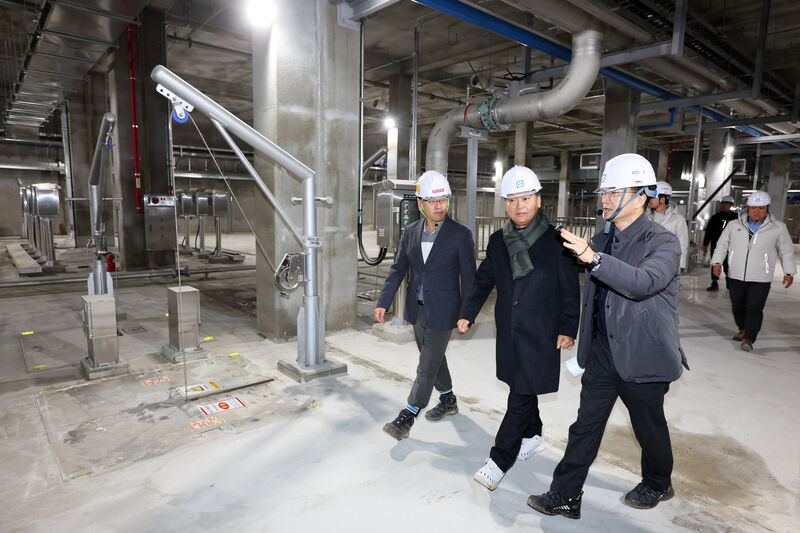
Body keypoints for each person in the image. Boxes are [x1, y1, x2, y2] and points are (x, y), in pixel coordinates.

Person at [527, 153, 689, 520]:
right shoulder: (601, 238)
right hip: (602, 350)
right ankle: (565, 494)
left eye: (614, 192)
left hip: (644, 354)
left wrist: (594, 258)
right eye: (605, 192)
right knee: (585, 425)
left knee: (648, 426)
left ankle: (658, 481)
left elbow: (643, 283)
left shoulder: (663, 242)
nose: (606, 199)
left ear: (641, 196)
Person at [457, 166, 580, 491]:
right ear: (505, 205)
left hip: (541, 332)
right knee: (522, 386)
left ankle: (499, 460)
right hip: (510, 330)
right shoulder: (499, 241)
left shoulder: (558, 241)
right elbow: (484, 279)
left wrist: (569, 327)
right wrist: (468, 312)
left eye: (525, 198)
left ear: (538, 200)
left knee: (520, 395)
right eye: (512, 200)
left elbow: (570, 289)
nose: (519, 205)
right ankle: (534, 434)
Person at [375, 170, 476, 440]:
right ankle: (448, 399)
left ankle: (409, 414)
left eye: (443, 200)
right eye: (433, 201)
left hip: (445, 310)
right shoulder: (410, 232)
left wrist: (467, 313)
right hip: (417, 309)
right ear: (420, 203)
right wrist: (384, 301)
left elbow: (470, 279)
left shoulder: (461, 235)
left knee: (426, 365)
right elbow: (398, 269)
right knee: (434, 358)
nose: (439, 206)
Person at [711, 191, 795, 351]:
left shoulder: (778, 228)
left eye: (761, 208)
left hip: (761, 277)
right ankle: (743, 328)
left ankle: (749, 338)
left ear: (768, 208)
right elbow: (722, 245)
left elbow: (786, 251)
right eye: (754, 208)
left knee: (754, 307)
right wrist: (716, 262)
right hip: (735, 274)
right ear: (748, 208)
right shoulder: (734, 225)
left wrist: (789, 272)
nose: (757, 211)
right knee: (737, 306)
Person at [649, 181, 689, 272]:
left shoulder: (678, 219)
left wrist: (681, 264)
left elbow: (682, 243)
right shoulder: (645, 216)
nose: (650, 199)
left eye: (653, 196)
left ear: (662, 200)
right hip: (646, 262)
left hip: (667, 264)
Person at [703, 195, 738, 291]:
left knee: (728, 265)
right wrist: (705, 244)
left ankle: (730, 283)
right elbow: (708, 231)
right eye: (723, 204)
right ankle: (714, 283)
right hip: (716, 245)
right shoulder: (715, 217)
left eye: (726, 204)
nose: (724, 206)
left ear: (731, 205)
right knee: (715, 263)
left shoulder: (736, 218)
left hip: (731, 246)